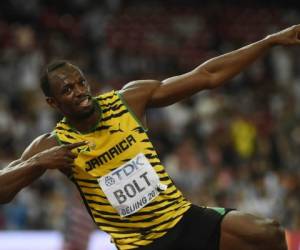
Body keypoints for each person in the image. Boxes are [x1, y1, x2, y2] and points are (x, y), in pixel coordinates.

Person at [1, 24, 300, 250]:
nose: (79, 92)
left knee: (268, 233)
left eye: (80, 82)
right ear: (52, 103)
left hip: (182, 219)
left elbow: (207, 75)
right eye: (67, 90)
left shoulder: (128, 101)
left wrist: (269, 41)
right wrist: (39, 163)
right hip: (139, 245)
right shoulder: (54, 143)